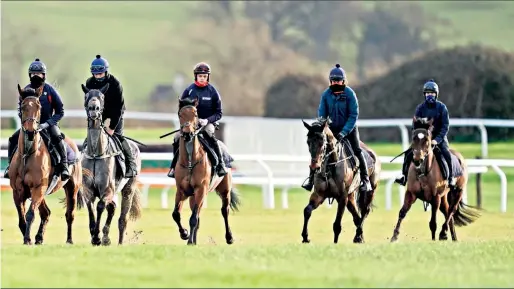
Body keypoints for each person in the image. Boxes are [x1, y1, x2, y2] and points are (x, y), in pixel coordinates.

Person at [302, 63, 372, 192]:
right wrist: (321, 126)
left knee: (357, 150)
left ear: (343, 81)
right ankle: (311, 180)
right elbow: (322, 114)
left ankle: (365, 180)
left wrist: (344, 132)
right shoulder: (326, 95)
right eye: (333, 81)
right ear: (330, 81)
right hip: (331, 129)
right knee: (318, 149)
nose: (335, 83)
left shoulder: (350, 94)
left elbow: (353, 116)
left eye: (338, 81)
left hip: (349, 129)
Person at [4, 58, 70, 181]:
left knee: (56, 136)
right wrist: (27, 122)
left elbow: (60, 111)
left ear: (43, 75)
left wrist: (47, 124)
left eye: (38, 73)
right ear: (30, 75)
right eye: (33, 74)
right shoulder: (25, 91)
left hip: (48, 124)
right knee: (13, 138)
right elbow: (20, 110)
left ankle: (64, 165)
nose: (36, 76)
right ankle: (10, 167)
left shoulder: (50, 90)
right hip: (29, 124)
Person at [167, 62, 227, 178]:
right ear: (196, 76)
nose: (202, 79)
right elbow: (181, 110)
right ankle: (174, 167)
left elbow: (219, 113)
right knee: (177, 137)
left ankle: (220, 165)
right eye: (200, 76)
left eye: (204, 76)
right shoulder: (189, 90)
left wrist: (207, 120)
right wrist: (187, 122)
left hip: (207, 123)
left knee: (209, 134)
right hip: (190, 124)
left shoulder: (213, 92)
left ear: (207, 77)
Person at [394, 79, 456, 187]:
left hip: (438, 138)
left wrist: (436, 140)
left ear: (436, 94)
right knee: (408, 154)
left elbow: (445, 126)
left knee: (446, 153)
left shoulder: (442, 108)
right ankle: (404, 176)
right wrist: (418, 138)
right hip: (423, 139)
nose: (430, 96)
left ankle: (450, 178)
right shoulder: (420, 108)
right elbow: (415, 126)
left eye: (432, 93)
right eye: (427, 93)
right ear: (424, 94)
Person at [84, 54, 137, 178]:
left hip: (116, 113)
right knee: (90, 138)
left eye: (100, 74)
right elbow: (88, 104)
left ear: (106, 71)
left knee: (118, 137)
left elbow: (118, 108)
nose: (97, 77)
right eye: (95, 74)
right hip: (99, 114)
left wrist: (112, 127)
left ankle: (131, 165)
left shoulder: (115, 84)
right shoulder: (89, 82)